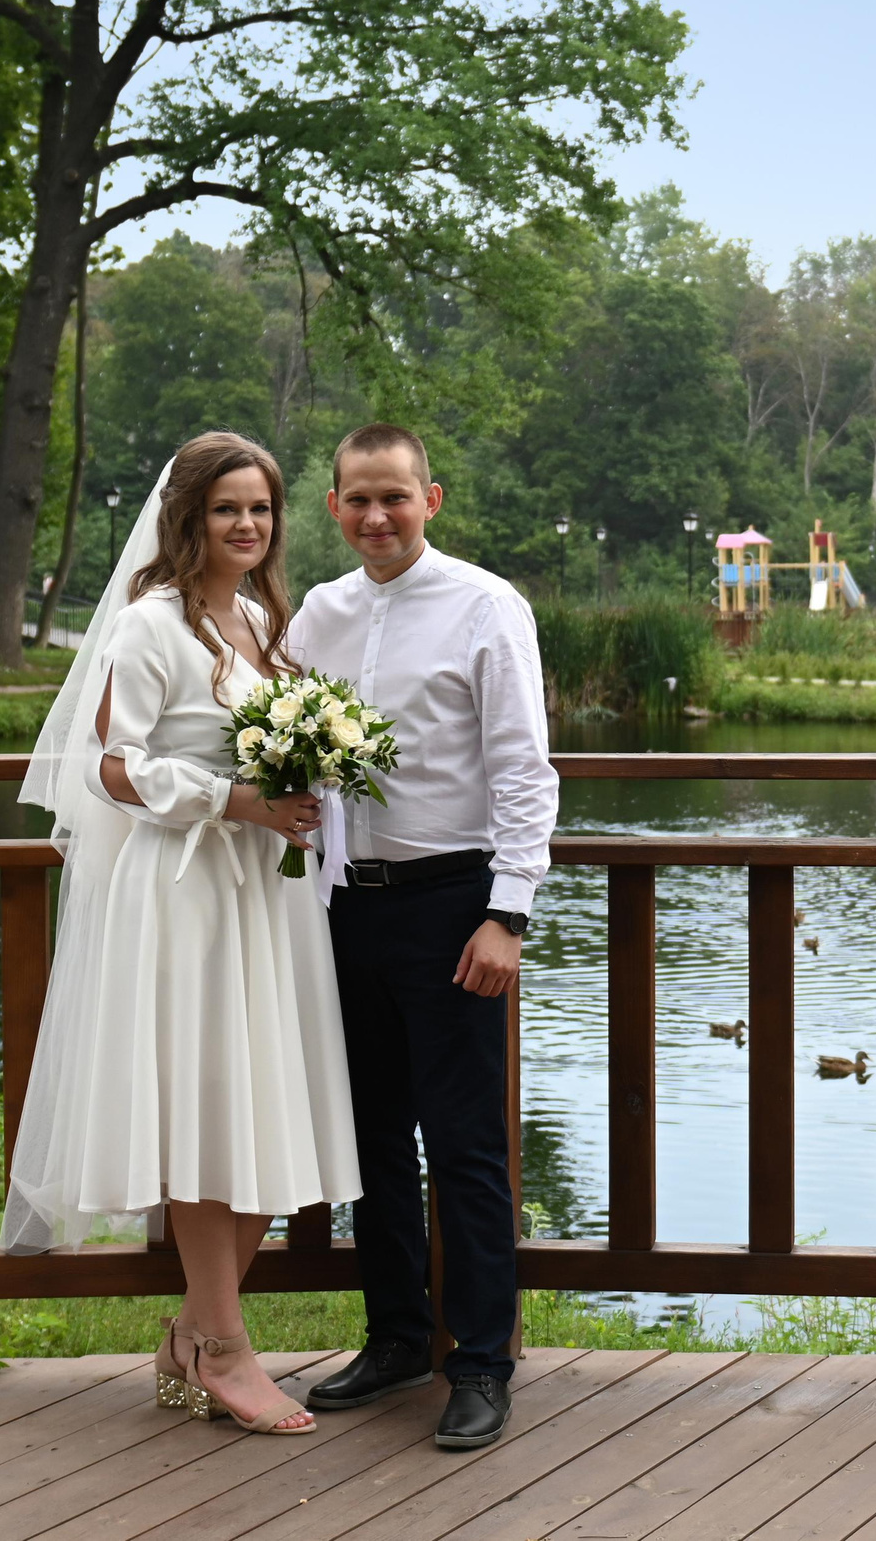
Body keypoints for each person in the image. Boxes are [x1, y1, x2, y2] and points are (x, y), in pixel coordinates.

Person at [2, 430, 360, 1437]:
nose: (248, 526)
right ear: (188, 517)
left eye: (261, 509)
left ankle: (195, 1335)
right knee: (210, 1115)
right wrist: (232, 801)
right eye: (226, 509)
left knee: (264, 1108)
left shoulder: (253, 619)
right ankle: (225, 1348)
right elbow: (112, 768)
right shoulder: (149, 626)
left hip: (264, 898)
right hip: (187, 892)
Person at [289, 422, 558, 1450]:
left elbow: (524, 768)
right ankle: (397, 1337)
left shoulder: (486, 606)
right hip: (343, 905)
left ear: (431, 499)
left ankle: (480, 1360)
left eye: (394, 497)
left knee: (465, 1146)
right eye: (357, 498)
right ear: (334, 506)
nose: (375, 516)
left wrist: (507, 912)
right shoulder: (318, 613)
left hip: (454, 908)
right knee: (370, 1143)